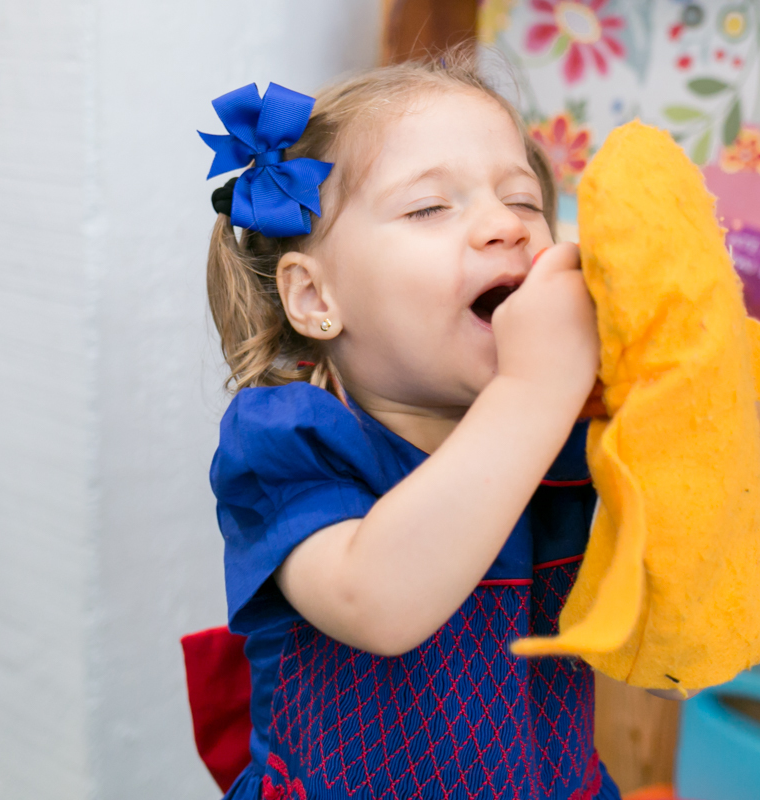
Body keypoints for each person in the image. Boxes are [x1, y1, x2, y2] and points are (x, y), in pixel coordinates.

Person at [205, 52, 624, 800]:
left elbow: (666, 615)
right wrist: (532, 387)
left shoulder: (566, 428)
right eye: (431, 208)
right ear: (313, 296)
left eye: (525, 201)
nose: (505, 226)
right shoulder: (285, 440)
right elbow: (378, 602)